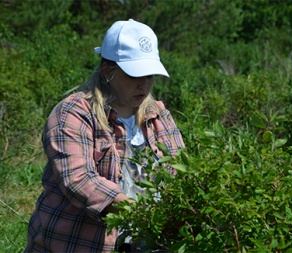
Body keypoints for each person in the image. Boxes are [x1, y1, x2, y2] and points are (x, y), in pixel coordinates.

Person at [25, 19, 185, 252]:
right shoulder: (74, 113)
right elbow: (79, 180)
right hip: (78, 243)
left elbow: (180, 169)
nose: (144, 85)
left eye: (150, 75)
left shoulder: (158, 116)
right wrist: (145, 213)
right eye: (134, 75)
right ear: (108, 70)